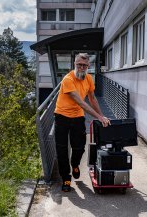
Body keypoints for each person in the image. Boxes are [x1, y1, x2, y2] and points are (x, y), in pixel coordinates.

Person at [54, 53, 110, 192]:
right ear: (74, 64)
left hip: (78, 117)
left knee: (79, 147)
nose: (81, 67)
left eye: (84, 65)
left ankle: (75, 164)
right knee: (61, 149)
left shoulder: (89, 79)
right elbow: (81, 103)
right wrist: (98, 117)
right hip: (61, 116)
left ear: (88, 66)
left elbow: (92, 99)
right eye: (79, 64)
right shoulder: (68, 79)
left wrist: (102, 115)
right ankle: (66, 178)